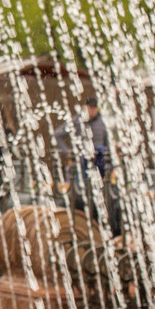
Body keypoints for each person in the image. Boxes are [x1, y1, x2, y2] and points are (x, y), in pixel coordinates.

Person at [53, 95, 117, 233]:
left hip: (98, 164)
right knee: (80, 195)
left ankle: (97, 225)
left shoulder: (102, 122)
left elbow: (108, 143)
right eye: (90, 108)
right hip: (81, 165)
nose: (92, 111)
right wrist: (68, 152)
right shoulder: (77, 121)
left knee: (101, 195)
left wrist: (109, 161)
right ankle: (77, 224)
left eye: (94, 108)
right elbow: (57, 134)